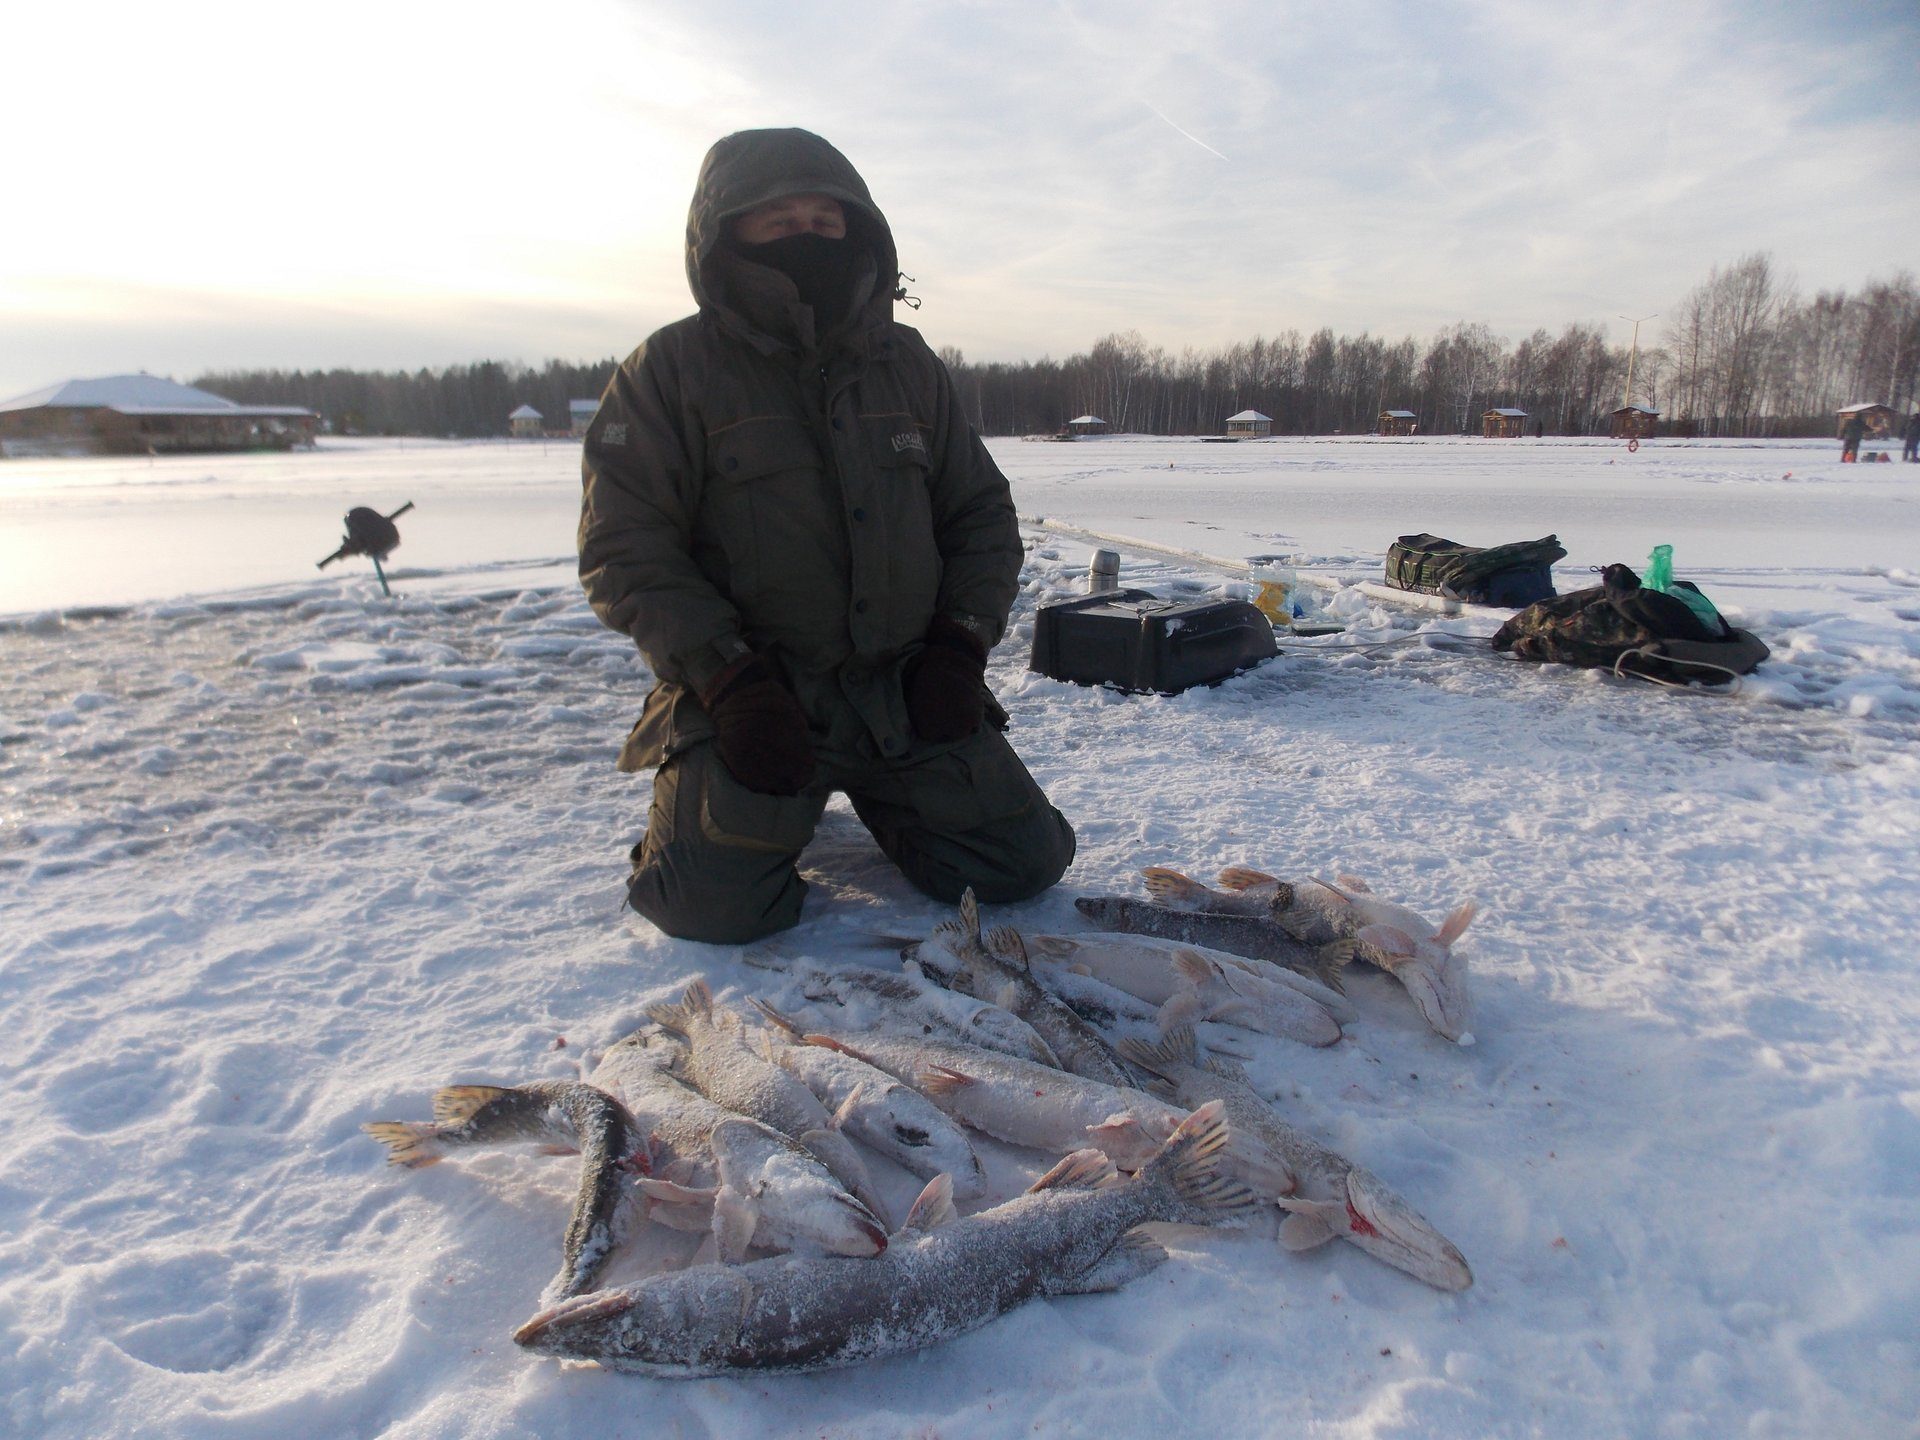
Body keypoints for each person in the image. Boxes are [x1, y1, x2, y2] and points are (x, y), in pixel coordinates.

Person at [578, 128, 1075, 944]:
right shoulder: (668, 370)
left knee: (1020, 868)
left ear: (860, 231)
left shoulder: (907, 364)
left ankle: (889, 802)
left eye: (826, 220)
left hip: (903, 690)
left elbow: (981, 516)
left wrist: (958, 648)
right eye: (779, 221)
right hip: (759, 696)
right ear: (725, 235)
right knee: (711, 910)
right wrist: (727, 681)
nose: (807, 235)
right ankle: (713, 807)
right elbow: (623, 549)